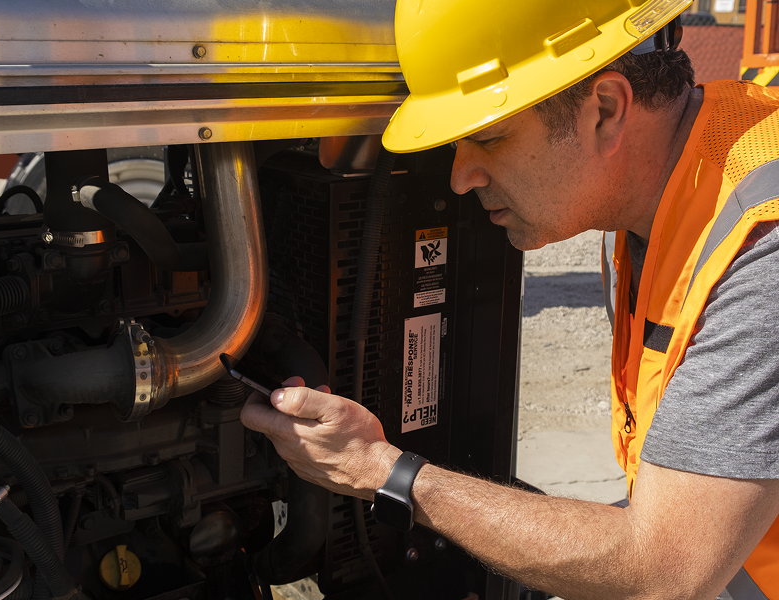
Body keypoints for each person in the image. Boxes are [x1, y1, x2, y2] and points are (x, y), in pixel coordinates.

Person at [240, 1, 779, 598]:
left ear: (605, 110)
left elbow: (666, 571)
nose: (459, 176)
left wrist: (382, 471)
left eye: (489, 139)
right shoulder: (670, 190)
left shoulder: (762, 251)